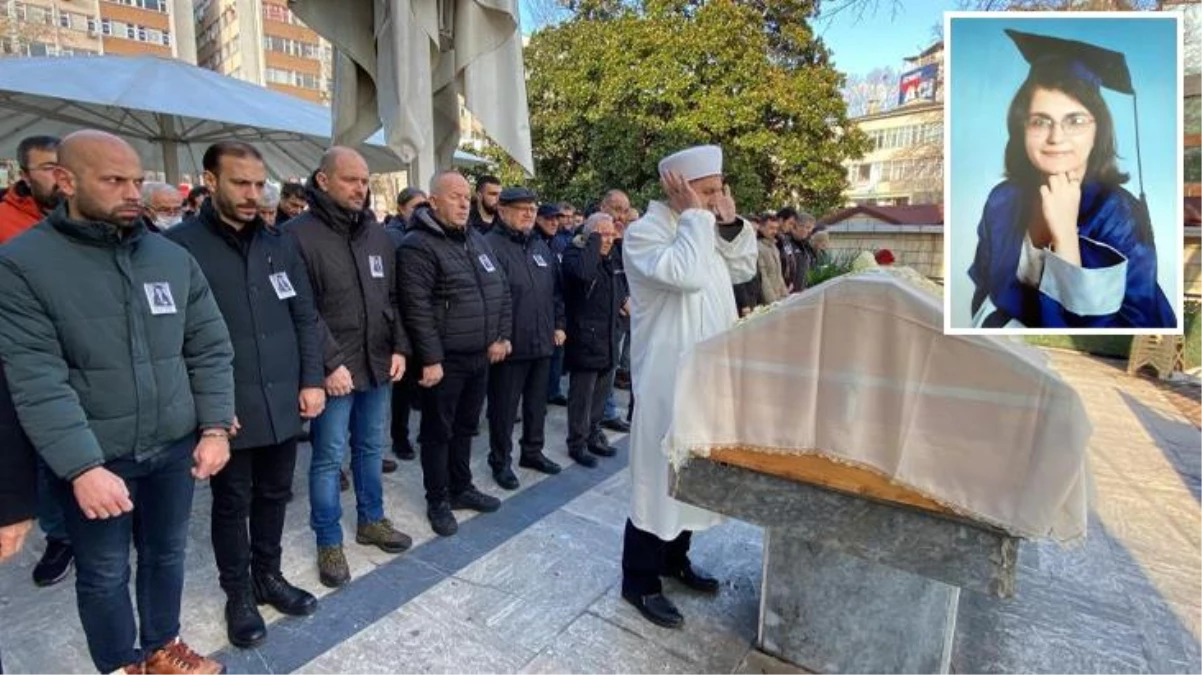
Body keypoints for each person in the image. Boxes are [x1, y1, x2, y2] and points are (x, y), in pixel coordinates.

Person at [0, 129, 235, 674]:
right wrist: (81, 467)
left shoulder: (167, 256)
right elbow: (36, 378)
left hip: (172, 447)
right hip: (95, 458)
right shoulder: (22, 263)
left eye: (136, 179)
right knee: (104, 571)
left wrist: (216, 427)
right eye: (114, 180)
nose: (132, 191)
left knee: (166, 555)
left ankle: (160, 648)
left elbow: (209, 344)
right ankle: (119, 664)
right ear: (66, 180)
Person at [166, 142, 325, 649]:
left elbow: (303, 316)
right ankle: (238, 594)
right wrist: (207, 411)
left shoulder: (281, 243)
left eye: (260, 184)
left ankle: (268, 575)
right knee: (232, 503)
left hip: (282, 396)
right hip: (226, 406)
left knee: (277, 493)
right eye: (241, 183)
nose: (254, 195)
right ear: (210, 181)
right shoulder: (181, 247)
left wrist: (312, 379)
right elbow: (176, 338)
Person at [620, 145, 757, 629]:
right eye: (707, 191)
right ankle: (639, 580)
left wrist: (727, 224)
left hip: (706, 378)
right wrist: (697, 220)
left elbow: (741, 268)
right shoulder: (644, 234)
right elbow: (687, 275)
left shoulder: (700, 230)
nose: (715, 199)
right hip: (666, 382)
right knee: (657, 479)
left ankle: (674, 559)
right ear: (676, 189)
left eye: (720, 189)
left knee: (693, 477)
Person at [968, 29, 1176, 329]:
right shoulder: (1002, 200)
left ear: (1098, 130)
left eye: (1075, 121)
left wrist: (1065, 236)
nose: (1056, 137)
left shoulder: (1120, 217)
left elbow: (1129, 328)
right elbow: (986, 291)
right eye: (1040, 121)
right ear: (1021, 127)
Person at [285, 147, 412, 588]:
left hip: (378, 364)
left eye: (364, 180)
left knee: (371, 449)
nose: (360, 188)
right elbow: (301, 308)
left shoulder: (376, 234)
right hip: (333, 372)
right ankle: (328, 541)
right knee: (327, 460)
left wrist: (398, 346)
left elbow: (391, 298)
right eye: (350, 180)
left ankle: (371, 520)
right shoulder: (295, 236)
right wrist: (329, 363)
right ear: (322, 181)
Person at [398, 171, 511, 537]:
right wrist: (430, 359)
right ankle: (438, 499)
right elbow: (415, 308)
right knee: (437, 432)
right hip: (444, 360)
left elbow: (500, 289)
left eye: (467, 197)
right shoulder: (418, 245)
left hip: (479, 355)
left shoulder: (476, 239)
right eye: (454, 196)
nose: (464, 203)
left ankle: (461, 487)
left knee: (466, 426)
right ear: (433, 201)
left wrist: (500, 335)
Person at [0, 135, 76, 589]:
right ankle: (60, 536)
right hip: (29, 360)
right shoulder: (8, 223)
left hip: (88, 357)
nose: (60, 177)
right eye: (49, 168)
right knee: (45, 456)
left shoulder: (88, 219)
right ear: (24, 175)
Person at [484, 187, 565, 490]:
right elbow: (490, 299)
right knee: (504, 410)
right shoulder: (489, 245)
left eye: (532, 208)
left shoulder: (539, 246)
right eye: (522, 209)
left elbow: (555, 292)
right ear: (502, 211)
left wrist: (558, 323)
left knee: (536, 405)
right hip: (510, 346)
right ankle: (500, 461)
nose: (530, 214)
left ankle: (532, 452)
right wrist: (498, 337)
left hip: (542, 342)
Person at [561, 213, 624, 469]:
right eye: (601, 234)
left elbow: (621, 286)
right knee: (581, 398)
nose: (607, 239)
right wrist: (594, 243)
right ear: (588, 235)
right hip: (585, 338)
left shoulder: (612, 257)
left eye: (610, 234)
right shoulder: (576, 254)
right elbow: (584, 274)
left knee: (600, 395)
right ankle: (577, 442)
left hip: (608, 336)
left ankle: (594, 434)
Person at [757, 213, 788, 304]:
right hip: (769, 302)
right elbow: (764, 278)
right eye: (771, 228)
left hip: (780, 298)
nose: (774, 231)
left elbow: (779, 275)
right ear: (761, 228)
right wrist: (773, 302)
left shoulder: (774, 247)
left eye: (776, 228)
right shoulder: (758, 248)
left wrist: (786, 295)